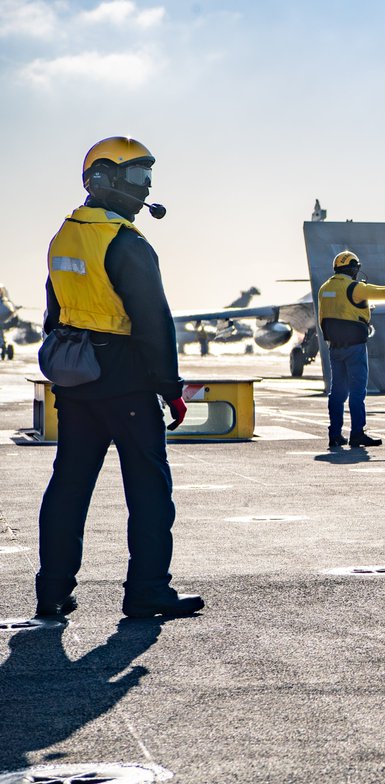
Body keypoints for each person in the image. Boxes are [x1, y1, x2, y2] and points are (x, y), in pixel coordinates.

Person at [36, 136, 204, 619]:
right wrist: (171, 390)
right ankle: (148, 590)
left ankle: (52, 590)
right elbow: (153, 322)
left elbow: (55, 310)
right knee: (149, 491)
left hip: (76, 380)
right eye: (136, 177)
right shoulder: (128, 244)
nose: (145, 188)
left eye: (147, 178)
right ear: (103, 179)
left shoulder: (63, 237)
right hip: (126, 381)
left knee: (68, 486)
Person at [317, 251, 385, 448]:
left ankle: (334, 435)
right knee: (357, 392)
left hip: (334, 348)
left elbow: (327, 315)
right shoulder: (355, 287)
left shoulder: (324, 288)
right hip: (355, 347)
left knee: (338, 393)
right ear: (352, 268)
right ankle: (357, 433)